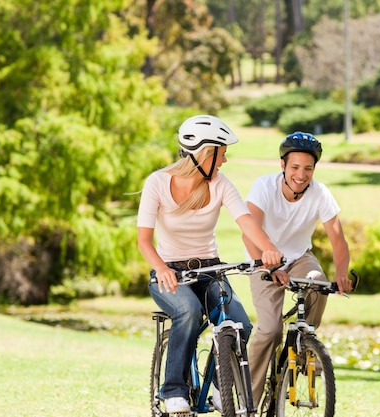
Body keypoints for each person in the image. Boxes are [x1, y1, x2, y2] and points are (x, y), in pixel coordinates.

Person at [137, 114, 283, 414]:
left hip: (210, 269)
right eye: (222, 152)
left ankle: (220, 386)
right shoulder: (157, 183)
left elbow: (246, 221)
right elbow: (143, 241)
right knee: (188, 311)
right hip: (169, 271)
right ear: (205, 152)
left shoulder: (219, 184)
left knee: (240, 324)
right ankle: (174, 391)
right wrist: (162, 268)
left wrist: (269, 250)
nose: (225, 160)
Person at [242, 131, 354, 404]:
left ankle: (306, 345)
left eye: (308, 168)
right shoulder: (263, 186)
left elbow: (338, 240)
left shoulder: (320, 193)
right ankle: (248, 399)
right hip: (262, 259)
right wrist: (267, 263)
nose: (301, 175)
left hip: (300, 257)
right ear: (283, 165)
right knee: (270, 331)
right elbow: (249, 232)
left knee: (318, 282)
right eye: (295, 167)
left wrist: (341, 274)